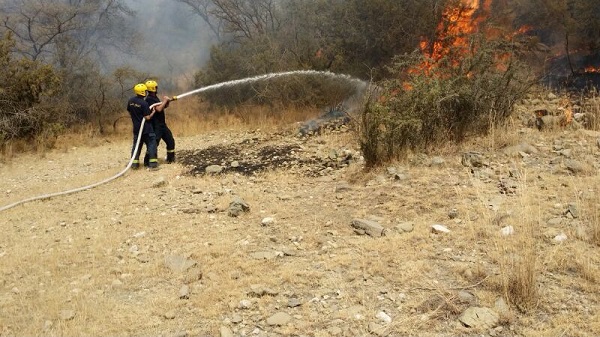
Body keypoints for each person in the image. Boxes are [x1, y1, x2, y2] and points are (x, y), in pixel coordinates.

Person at [127, 83, 158, 169]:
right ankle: (153, 164)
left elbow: (129, 111)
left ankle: (134, 164)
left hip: (137, 129)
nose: (146, 92)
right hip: (147, 129)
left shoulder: (131, 101)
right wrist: (153, 113)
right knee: (152, 145)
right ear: (142, 92)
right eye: (145, 91)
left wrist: (136, 117)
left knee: (136, 146)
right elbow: (147, 117)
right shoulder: (144, 103)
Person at [144, 80, 176, 164]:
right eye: (156, 87)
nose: (157, 88)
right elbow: (158, 109)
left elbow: (161, 107)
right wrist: (165, 100)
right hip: (156, 125)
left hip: (162, 124)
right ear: (153, 88)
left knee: (170, 141)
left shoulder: (154, 97)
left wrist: (167, 102)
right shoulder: (149, 99)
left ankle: (170, 159)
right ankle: (147, 161)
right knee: (154, 144)